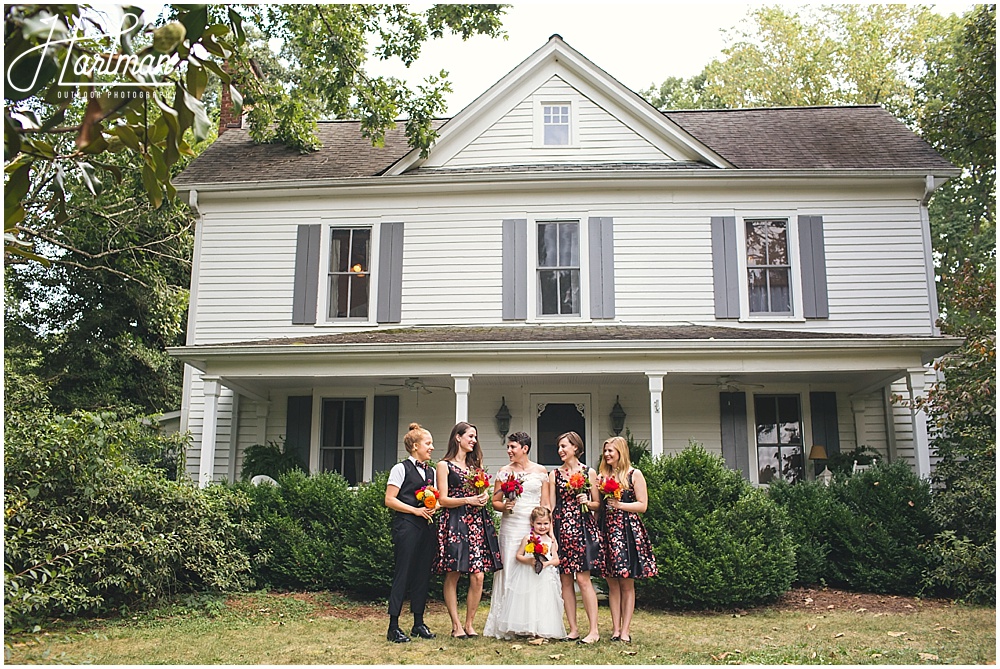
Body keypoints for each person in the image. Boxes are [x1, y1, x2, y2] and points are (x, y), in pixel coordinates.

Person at [433, 421, 502, 639]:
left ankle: (470, 623)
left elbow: (481, 493)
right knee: (453, 573)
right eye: (470, 436)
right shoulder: (444, 465)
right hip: (454, 521)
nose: (473, 440)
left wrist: (483, 498)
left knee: (478, 576)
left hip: (476, 522)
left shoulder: (475, 467)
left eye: (475, 437)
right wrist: (468, 499)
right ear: (458, 438)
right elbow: (442, 499)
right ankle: (456, 625)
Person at [483, 432, 553, 639]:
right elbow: (494, 501)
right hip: (511, 525)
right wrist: (504, 506)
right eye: (508, 447)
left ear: (525, 448)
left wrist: (545, 529)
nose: (509, 451)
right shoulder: (504, 472)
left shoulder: (541, 471)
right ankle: (506, 623)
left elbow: (546, 502)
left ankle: (532, 622)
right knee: (509, 569)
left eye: (513, 447)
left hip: (534, 526)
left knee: (532, 567)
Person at [598, 436, 658, 644]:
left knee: (626, 582)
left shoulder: (634, 474)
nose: (607, 455)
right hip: (607, 530)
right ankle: (614, 629)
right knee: (611, 583)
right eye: (605, 451)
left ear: (620, 452)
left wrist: (620, 505)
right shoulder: (602, 476)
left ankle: (625, 630)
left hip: (626, 531)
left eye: (611, 451)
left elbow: (642, 505)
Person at [383, 422, 439, 643]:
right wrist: (415, 510)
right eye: (428, 443)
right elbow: (389, 500)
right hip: (406, 527)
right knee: (403, 574)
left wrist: (433, 507)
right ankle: (393, 626)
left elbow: (435, 499)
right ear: (415, 446)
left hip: (426, 529)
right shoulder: (400, 469)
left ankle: (418, 623)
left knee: (422, 574)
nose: (432, 447)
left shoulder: (431, 472)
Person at [548, 431, 604, 644]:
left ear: (575, 448)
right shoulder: (554, 475)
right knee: (565, 581)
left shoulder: (589, 472)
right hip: (562, 528)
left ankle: (594, 630)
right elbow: (551, 506)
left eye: (564, 446)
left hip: (582, 528)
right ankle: (573, 629)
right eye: (559, 447)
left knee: (583, 578)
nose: (561, 450)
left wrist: (587, 501)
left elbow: (598, 505)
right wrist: (551, 534)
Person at [484, 506, 567, 639]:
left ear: (550, 524)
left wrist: (546, 563)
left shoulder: (551, 541)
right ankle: (529, 629)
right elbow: (518, 556)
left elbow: (556, 560)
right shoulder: (528, 538)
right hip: (528, 575)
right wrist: (529, 561)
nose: (542, 527)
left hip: (545, 577)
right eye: (539, 523)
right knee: (529, 600)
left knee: (543, 601)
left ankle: (542, 628)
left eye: (546, 523)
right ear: (532, 523)